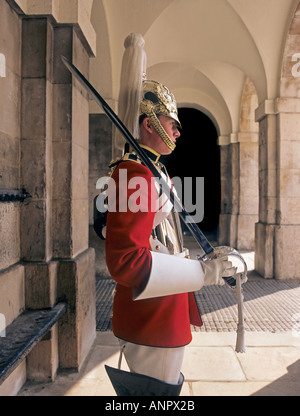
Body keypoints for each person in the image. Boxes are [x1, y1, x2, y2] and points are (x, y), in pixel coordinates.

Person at [98, 34, 236, 396]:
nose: (176, 130)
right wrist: (203, 273)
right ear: (147, 124)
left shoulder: (152, 172)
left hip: (162, 305)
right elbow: (125, 261)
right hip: (151, 313)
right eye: (169, 121)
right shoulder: (134, 174)